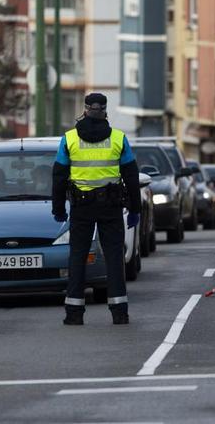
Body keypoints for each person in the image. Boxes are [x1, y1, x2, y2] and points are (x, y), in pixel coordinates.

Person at [52, 92, 141, 325]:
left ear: (85, 109)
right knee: (114, 258)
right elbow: (131, 176)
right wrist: (135, 209)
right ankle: (119, 312)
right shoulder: (119, 139)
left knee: (78, 257)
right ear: (105, 110)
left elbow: (59, 177)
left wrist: (58, 208)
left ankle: (74, 314)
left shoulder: (69, 138)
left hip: (81, 207)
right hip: (110, 206)